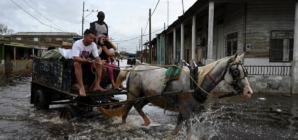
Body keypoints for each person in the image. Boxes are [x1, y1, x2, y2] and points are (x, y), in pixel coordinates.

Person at [72, 29, 107, 96]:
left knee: (99, 65)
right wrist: (86, 60)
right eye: (90, 38)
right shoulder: (77, 44)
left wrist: (99, 61)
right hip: (77, 61)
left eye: (93, 38)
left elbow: (96, 56)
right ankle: (82, 88)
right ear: (85, 37)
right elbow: (76, 58)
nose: (92, 40)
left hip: (87, 62)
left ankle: (97, 86)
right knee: (77, 64)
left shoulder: (93, 44)